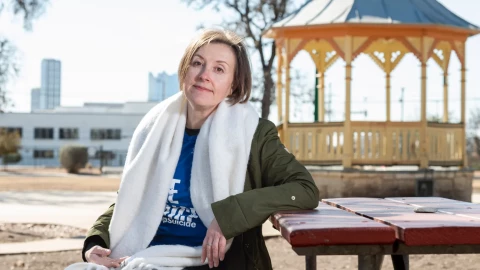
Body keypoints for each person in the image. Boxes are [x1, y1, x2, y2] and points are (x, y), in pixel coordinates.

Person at [67, 29, 319, 270]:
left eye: (219, 69)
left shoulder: (254, 134)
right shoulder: (154, 128)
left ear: (233, 85)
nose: (204, 75)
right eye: (197, 63)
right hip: (144, 254)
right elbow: (132, 200)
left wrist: (228, 216)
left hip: (211, 261)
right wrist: (96, 241)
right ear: (185, 70)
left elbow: (304, 189)